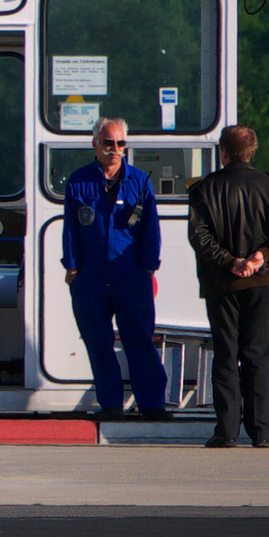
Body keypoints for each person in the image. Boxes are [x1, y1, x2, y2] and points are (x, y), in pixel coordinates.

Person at [62, 117, 172, 422]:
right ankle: (110, 402)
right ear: (95, 143)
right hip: (91, 277)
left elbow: (151, 230)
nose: (115, 149)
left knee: (139, 339)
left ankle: (152, 404)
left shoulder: (140, 181)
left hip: (130, 275)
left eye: (121, 143)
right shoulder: (79, 181)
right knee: (98, 342)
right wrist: (72, 267)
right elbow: (71, 228)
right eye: (109, 143)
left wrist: (148, 268)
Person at [187, 125, 269, 449]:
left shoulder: (205, 190)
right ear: (253, 150)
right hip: (261, 282)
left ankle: (226, 430)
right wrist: (262, 256)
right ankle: (262, 431)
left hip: (221, 284)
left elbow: (199, 236)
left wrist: (230, 261)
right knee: (258, 354)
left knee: (226, 354)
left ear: (223, 152)